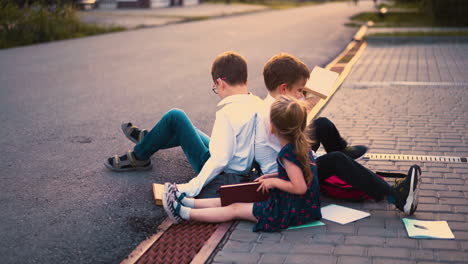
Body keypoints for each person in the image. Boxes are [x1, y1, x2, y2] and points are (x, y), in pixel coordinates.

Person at [255, 53, 421, 215]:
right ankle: (396, 197)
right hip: (288, 173)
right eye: (299, 90)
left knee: (321, 124)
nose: (301, 95)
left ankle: (344, 152)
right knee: (336, 160)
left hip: (291, 158)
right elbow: (296, 148)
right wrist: (310, 103)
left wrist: (306, 101)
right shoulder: (273, 116)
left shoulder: (276, 105)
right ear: (283, 88)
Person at [104, 51, 263, 198]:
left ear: (220, 83)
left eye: (215, 88)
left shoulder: (227, 114)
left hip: (220, 172)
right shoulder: (258, 103)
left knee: (176, 116)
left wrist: (193, 187)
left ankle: (139, 156)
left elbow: (220, 160)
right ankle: (150, 140)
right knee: (190, 129)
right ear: (246, 80)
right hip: (238, 164)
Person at [162, 96, 322, 232]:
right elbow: (296, 174)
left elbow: (299, 187)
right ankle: (188, 201)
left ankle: (184, 213)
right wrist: (273, 176)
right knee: (234, 197)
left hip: (291, 211)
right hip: (300, 206)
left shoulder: (288, 153)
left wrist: (274, 181)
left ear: (273, 127)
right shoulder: (298, 146)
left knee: (235, 208)